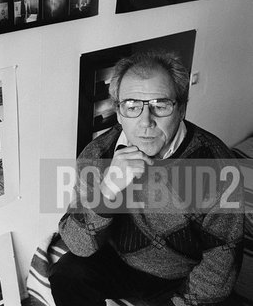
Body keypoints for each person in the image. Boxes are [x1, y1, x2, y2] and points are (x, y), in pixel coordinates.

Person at [49, 50, 244, 306]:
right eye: (132, 107)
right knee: (66, 274)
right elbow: (79, 245)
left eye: (160, 106)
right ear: (119, 113)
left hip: (181, 275)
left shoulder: (217, 163)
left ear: (181, 109)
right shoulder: (96, 155)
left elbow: (222, 263)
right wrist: (106, 193)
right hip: (119, 261)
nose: (145, 122)